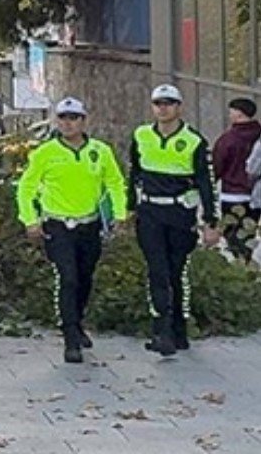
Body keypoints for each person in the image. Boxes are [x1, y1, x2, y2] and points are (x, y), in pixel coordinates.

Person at [16, 97, 128, 363]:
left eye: (73, 118)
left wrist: (120, 215)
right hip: (58, 224)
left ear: (83, 121)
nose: (67, 123)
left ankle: (77, 322)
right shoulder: (45, 152)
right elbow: (26, 187)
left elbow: (114, 182)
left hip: (89, 224)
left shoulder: (100, 151)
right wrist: (30, 220)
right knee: (68, 278)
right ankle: (69, 338)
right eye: (63, 118)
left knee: (85, 277)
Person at [128, 84, 221, 356]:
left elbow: (206, 182)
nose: (163, 108)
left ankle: (179, 329)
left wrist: (211, 222)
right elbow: (134, 172)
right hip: (150, 212)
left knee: (176, 271)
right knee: (157, 270)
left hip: (180, 213)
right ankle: (162, 331)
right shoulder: (141, 135)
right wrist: (129, 207)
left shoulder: (194, 140)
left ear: (179, 107)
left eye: (169, 103)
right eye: (158, 103)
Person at [213, 98, 261, 264]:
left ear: (239, 114)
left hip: (232, 194)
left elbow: (217, 165)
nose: (229, 115)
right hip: (255, 196)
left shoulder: (228, 139)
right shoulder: (258, 135)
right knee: (248, 235)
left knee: (232, 236)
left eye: (231, 111)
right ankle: (246, 263)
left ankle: (239, 269)